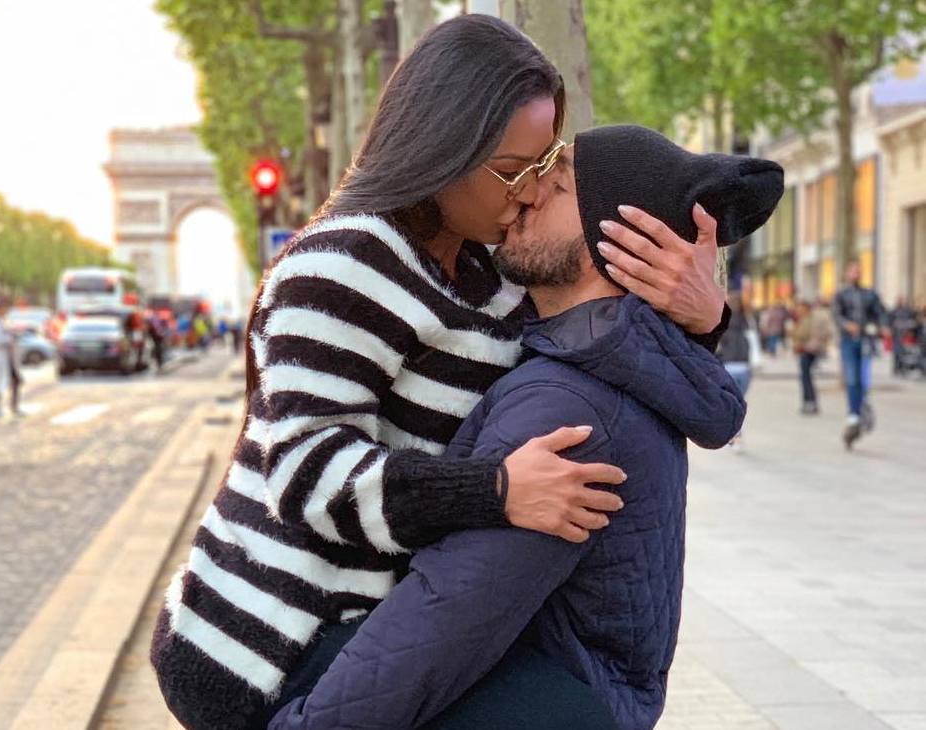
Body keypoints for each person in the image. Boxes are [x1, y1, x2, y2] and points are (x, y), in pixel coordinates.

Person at [150, 16, 730, 730]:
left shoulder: (498, 281)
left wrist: (701, 320)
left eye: (545, 166)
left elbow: (635, 369)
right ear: (444, 148)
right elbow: (307, 473)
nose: (529, 192)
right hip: (265, 638)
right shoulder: (339, 266)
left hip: (377, 611)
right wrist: (493, 490)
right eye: (514, 170)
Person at [266, 125, 781, 730]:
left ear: (614, 240)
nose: (526, 194)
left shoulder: (564, 407)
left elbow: (444, 617)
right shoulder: (610, 363)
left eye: (555, 185)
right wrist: (707, 317)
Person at [833, 260, 888, 448]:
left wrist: (883, 326)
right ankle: (854, 414)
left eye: (859, 271)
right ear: (847, 273)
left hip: (865, 341)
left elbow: (880, 312)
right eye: (853, 270)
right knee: (853, 379)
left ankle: (859, 411)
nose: (856, 273)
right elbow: (837, 315)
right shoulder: (842, 294)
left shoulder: (869, 294)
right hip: (849, 342)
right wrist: (847, 325)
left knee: (863, 381)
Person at [716, 295, 754, 450]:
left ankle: (734, 435)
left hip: (729, 366)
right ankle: (736, 435)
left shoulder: (721, 323)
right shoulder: (747, 322)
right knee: (738, 402)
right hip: (744, 367)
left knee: (731, 403)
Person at [791, 299, 834, 414]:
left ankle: (810, 402)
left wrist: (807, 347)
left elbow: (817, 335)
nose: (798, 311)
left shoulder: (813, 319)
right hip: (804, 350)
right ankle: (808, 401)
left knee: (806, 377)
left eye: (801, 308)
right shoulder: (802, 319)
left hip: (809, 350)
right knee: (805, 376)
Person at [0, 301, 23, 418]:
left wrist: (13, 336)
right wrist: (8, 339)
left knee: (15, 381)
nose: (5, 311)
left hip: (8, 357)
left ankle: (14, 407)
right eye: (3, 309)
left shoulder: (5, 322)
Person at [891, 296, 918, 376]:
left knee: (904, 353)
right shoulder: (894, 311)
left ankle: (903, 368)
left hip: (905, 336)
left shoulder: (908, 311)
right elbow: (890, 321)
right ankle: (896, 368)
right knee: (896, 353)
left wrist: (910, 330)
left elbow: (913, 321)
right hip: (896, 335)